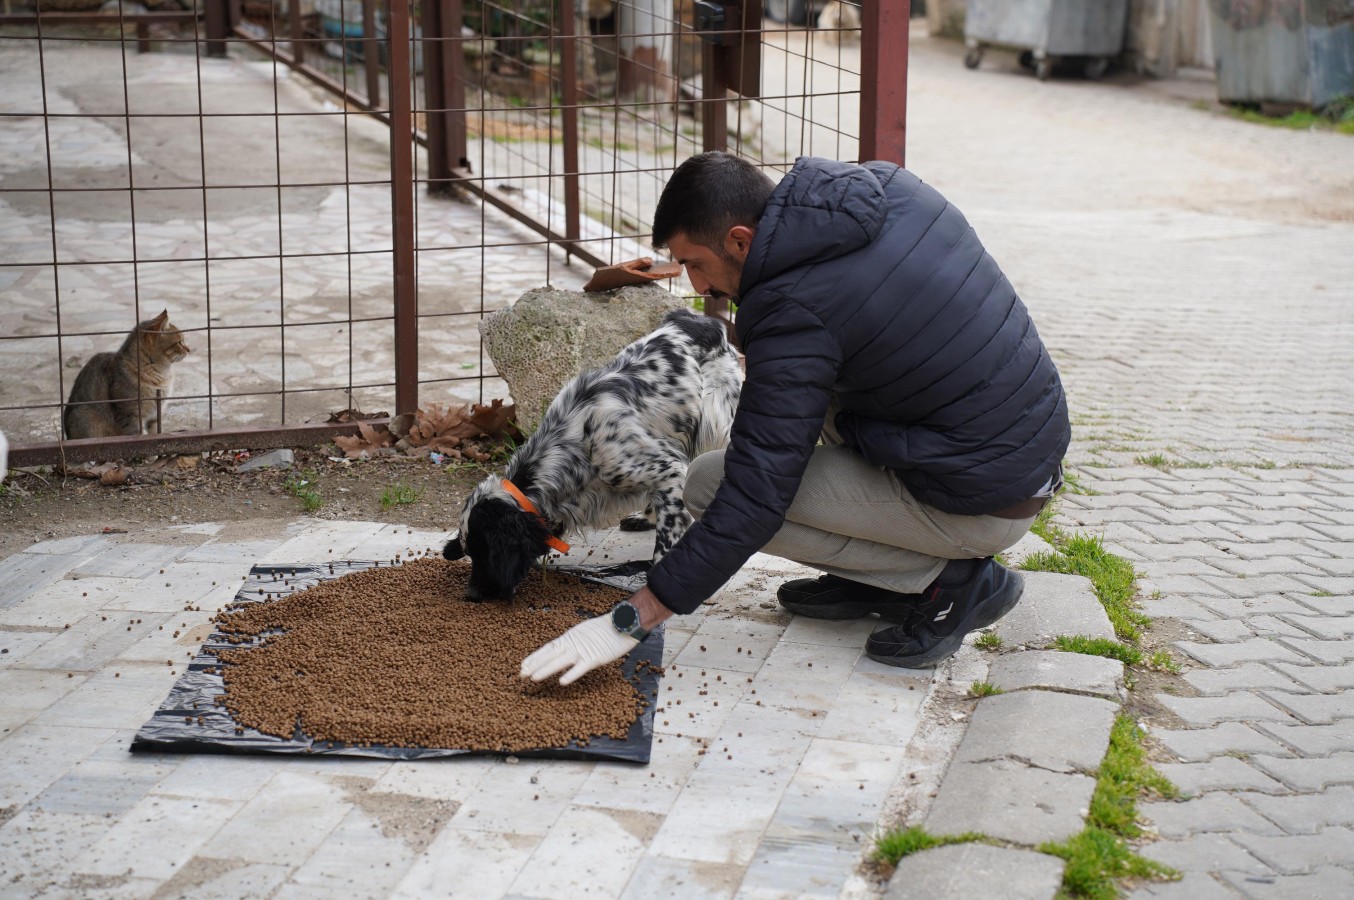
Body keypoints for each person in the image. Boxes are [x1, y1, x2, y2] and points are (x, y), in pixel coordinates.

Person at [521, 153, 1069, 686]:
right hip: (1019, 450)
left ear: (740, 239)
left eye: (696, 264)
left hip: (983, 500)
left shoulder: (794, 311)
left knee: (710, 484)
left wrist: (634, 617)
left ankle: (953, 580)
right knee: (782, 407)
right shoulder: (885, 188)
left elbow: (756, 496)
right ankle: (881, 580)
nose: (696, 287)